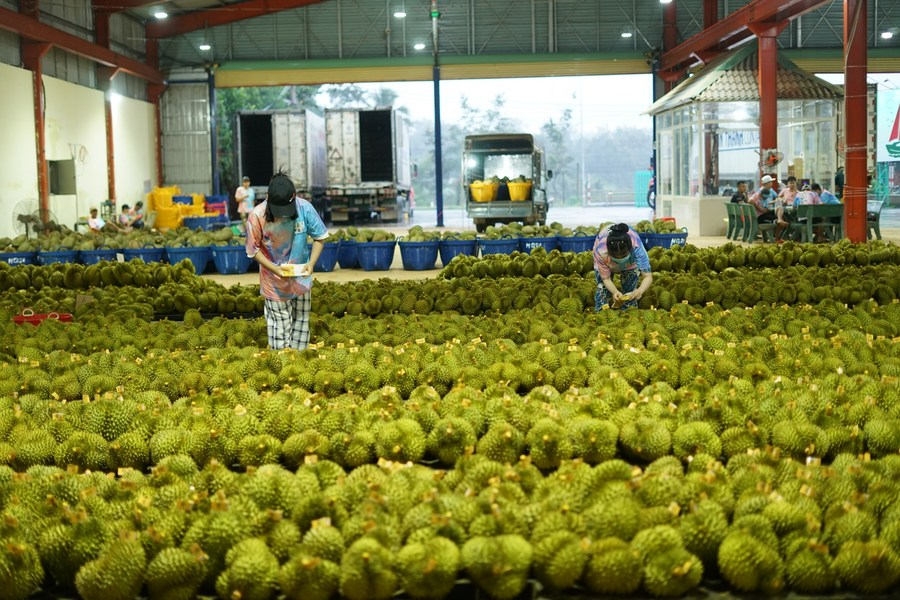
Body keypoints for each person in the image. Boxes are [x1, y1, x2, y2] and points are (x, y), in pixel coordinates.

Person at [245, 170, 329, 350]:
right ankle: (281, 366)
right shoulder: (256, 216)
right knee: (279, 326)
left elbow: (320, 237)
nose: (283, 215)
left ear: (294, 197)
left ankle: (298, 364)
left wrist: (311, 264)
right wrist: (274, 269)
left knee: (301, 322)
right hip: (273, 282)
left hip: (300, 279)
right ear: (267, 197)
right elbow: (253, 250)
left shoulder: (304, 208)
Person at [592, 223, 652, 311]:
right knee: (602, 288)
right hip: (606, 261)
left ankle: (629, 312)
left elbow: (648, 276)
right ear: (609, 252)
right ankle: (601, 312)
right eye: (616, 257)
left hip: (630, 263)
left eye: (623, 255)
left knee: (630, 290)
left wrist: (640, 290)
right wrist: (615, 292)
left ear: (630, 249)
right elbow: (606, 279)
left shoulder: (637, 248)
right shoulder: (601, 252)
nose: (620, 259)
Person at [748, 175, 788, 240]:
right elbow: (750, 200)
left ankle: (779, 229)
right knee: (781, 218)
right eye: (770, 182)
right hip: (761, 216)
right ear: (766, 183)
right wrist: (760, 208)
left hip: (767, 211)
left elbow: (777, 197)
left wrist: (775, 202)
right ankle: (777, 237)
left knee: (780, 211)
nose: (772, 184)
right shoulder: (759, 193)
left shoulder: (770, 190)